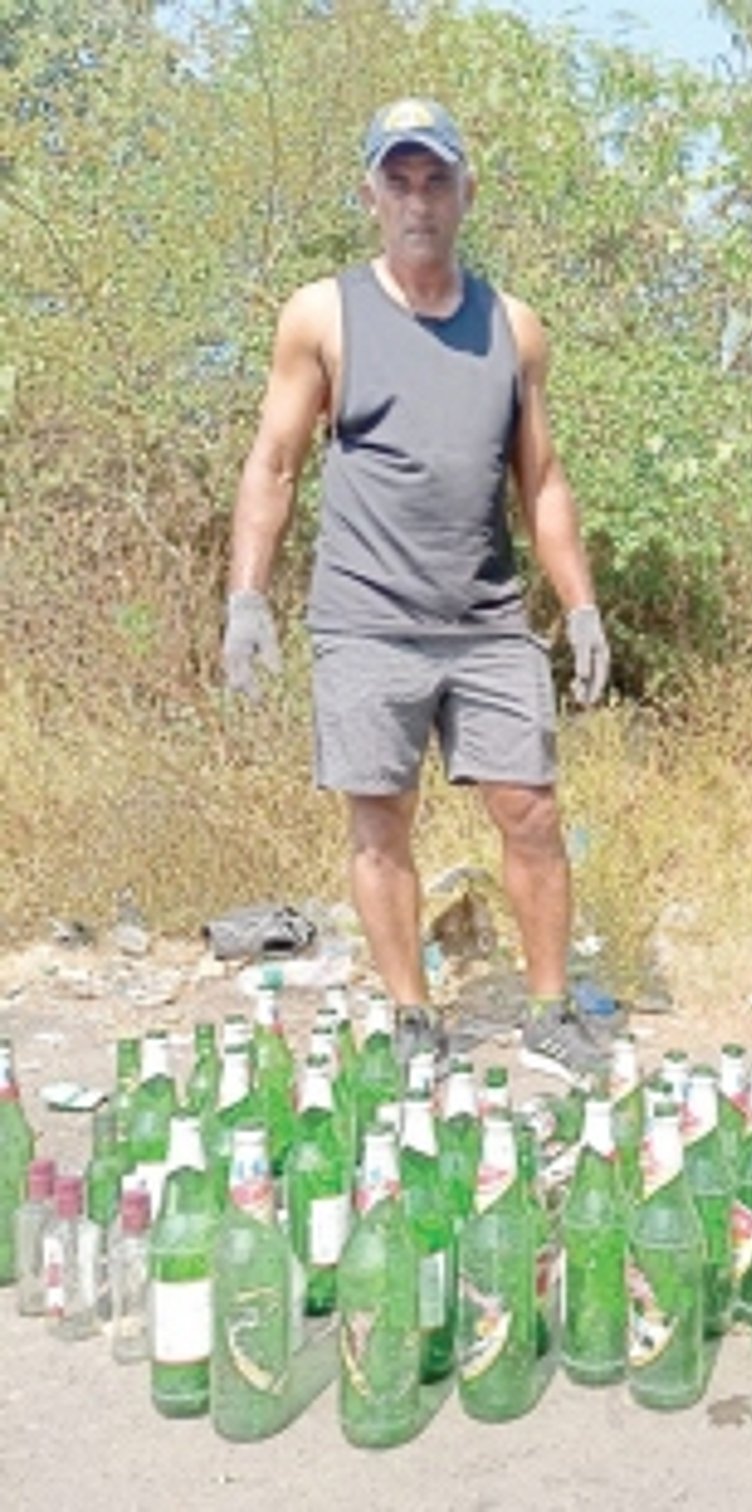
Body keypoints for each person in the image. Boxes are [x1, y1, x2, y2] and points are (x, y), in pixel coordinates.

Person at [221, 97, 612, 1082]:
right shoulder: (322, 314)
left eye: (436, 180)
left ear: (465, 193)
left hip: (483, 619)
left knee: (531, 810)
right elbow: (274, 460)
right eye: (398, 181)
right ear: (371, 195)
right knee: (379, 819)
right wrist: (247, 598)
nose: (418, 201)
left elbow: (543, 478)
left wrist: (580, 604)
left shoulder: (513, 328)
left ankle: (551, 1009)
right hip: (366, 619)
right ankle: (411, 1016)